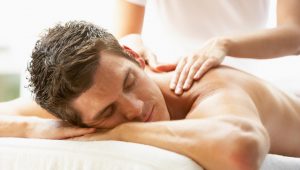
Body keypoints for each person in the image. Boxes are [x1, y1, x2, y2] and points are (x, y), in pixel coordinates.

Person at [26, 21, 300, 170]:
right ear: (81, 123)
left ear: (135, 58)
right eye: (108, 112)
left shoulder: (204, 85)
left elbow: (242, 152)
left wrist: (118, 132)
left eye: (129, 81)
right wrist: (33, 128)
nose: (134, 108)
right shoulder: (85, 99)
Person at [115, 0, 300, 95]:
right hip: (171, 81)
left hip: (245, 85)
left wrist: (224, 44)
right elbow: (126, 35)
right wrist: (133, 48)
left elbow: (295, 35)